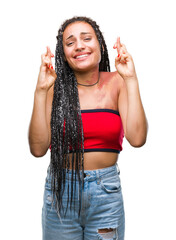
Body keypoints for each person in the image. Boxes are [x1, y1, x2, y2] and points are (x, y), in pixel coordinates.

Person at [28, 16, 148, 240]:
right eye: (70, 42)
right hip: (60, 193)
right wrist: (40, 91)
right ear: (63, 53)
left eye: (86, 38)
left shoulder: (118, 82)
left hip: (106, 194)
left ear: (100, 45)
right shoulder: (54, 88)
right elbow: (37, 149)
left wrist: (131, 79)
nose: (79, 46)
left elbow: (137, 137)